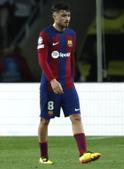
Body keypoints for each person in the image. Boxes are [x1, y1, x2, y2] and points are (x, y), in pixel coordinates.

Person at [37, 3, 101, 164]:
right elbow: (42, 60)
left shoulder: (71, 34)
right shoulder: (45, 34)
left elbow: (71, 58)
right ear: (55, 16)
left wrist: (70, 79)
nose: (67, 18)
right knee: (45, 120)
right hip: (50, 86)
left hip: (68, 85)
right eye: (63, 15)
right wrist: (52, 80)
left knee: (76, 117)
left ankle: (83, 153)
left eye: (68, 15)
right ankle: (43, 157)